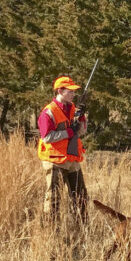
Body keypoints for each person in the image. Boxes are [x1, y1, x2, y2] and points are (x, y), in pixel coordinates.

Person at [37, 76, 89, 225]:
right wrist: (69, 132)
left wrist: (82, 120)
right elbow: (46, 137)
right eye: (70, 91)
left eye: (74, 91)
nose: (73, 94)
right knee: (53, 199)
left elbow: (81, 132)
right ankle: (51, 232)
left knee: (81, 197)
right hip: (54, 161)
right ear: (60, 91)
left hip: (72, 160)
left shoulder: (73, 109)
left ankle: (81, 229)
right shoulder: (48, 112)